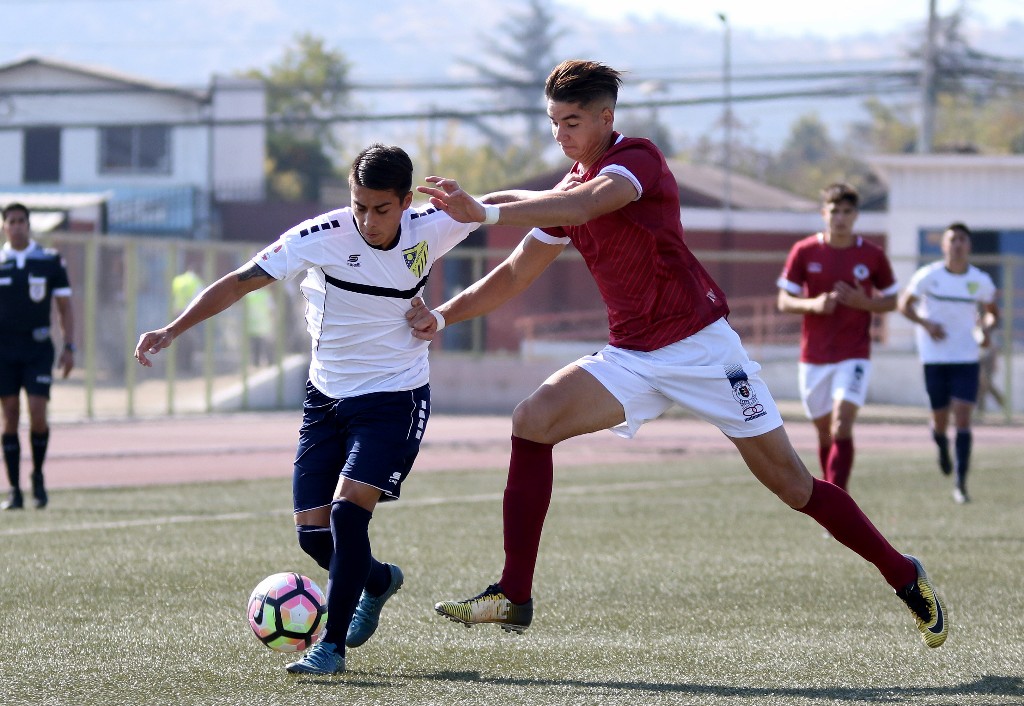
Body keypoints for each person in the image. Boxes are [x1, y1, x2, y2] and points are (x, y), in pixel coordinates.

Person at [407, 60, 947, 649]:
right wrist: (440, 316)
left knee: (794, 486)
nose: (560, 135)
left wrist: (486, 211)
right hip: (632, 358)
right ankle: (513, 594)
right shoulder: (567, 189)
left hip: (703, 352)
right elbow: (513, 275)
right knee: (532, 421)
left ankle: (903, 573)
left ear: (605, 118)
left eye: (572, 122)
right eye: (554, 122)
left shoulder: (635, 159)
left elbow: (588, 204)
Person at [135, 144, 481, 675]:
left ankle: (332, 647)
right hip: (325, 398)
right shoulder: (319, 237)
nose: (367, 219)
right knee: (314, 536)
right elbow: (238, 282)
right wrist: (171, 329)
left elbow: (504, 204)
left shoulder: (433, 224)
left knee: (347, 513)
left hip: (396, 395)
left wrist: (578, 196)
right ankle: (379, 580)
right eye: (358, 205)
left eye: (381, 209)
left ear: (406, 202)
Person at [776, 183, 899, 493]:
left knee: (842, 423)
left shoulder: (872, 255)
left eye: (846, 212)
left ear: (856, 216)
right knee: (824, 432)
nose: (840, 218)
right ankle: (834, 495)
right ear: (823, 214)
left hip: (854, 353)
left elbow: (893, 299)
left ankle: (837, 498)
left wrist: (865, 303)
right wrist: (813, 304)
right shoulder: (804, 251)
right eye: (834, 211)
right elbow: (784, 300)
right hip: (814, 355)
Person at [898, 222, 999, 504]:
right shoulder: (928, 276)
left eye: (962, 240)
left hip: (966, 357)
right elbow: (904, 305)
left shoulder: (980, 280)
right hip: (934, 358)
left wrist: (986, 329)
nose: (957, 244)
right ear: (943, 245)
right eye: (952, 239)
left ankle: (960, 484)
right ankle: (941, 443)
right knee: (940, 418)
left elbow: (992, 313)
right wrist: (925, 324)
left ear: (969, 246)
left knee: (964, 416)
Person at [0, 203, 75, 511]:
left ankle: (39, 477)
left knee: (37, 411)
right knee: (10, 415)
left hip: (37, 348)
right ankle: (15, 489)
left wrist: (69, 347)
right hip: (3, 350)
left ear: (28, 225)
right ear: (4, 227)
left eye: (22, 221)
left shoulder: (49, 260)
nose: (17, 226)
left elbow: (64, 307)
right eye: (12, 221)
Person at [171, 264, 204, 374]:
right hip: (190, 314)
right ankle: (187, 365)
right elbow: (200, 298)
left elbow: (173, 295)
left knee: (178, 340)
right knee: (190, 341)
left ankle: (178, 365)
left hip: (177, 312)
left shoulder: (178, 280)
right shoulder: (197, 282)